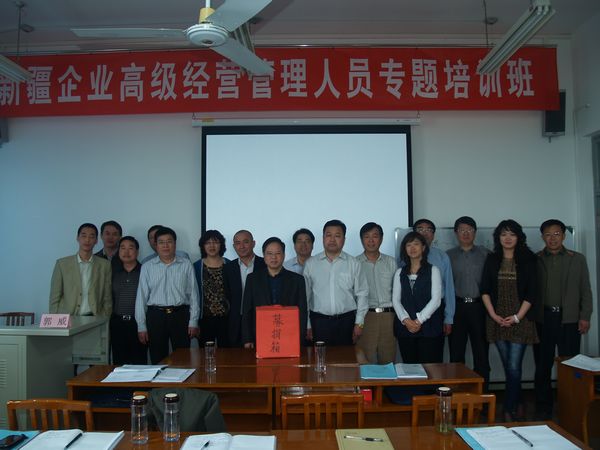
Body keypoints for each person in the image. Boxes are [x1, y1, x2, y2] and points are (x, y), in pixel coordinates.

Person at [534, 219, 593, 420]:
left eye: (557, 234)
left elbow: (586, 290)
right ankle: (543, 408)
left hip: (569, 319)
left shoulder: (577, 259)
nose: (552, 238)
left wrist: (585, 316)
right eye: (548, 234)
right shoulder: (536, 259)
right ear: (542, 237)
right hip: (543, 319)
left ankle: (571, 407)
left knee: (570, 366)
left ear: (564, 236)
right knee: (542, 365)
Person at [481, 219, 538, 421]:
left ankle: (508, 409)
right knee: (509, 367)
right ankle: (520, 401)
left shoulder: (529, 259)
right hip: (497, 319)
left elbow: (532, 293)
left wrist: (516, 317)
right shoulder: (492, 259)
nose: (507, 238)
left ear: (519, 237)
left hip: (520, 319)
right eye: (504, 234)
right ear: (498, 237)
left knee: (514, 366)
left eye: (512, 234)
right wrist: (493, 315)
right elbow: (485, 290)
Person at [135, 227, 200, 364]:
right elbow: (141, 298)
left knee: (183, 358)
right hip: (155, 316)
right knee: (158, 358)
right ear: (155, 245)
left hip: (180, 315)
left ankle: (183, 379)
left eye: (169, 241)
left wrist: (193, 321)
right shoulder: (147, 266)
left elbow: (194, 295)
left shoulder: (186, 264)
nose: (165, 245)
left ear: (175, 244)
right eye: (161, 242)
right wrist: (141, 325)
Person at [303, 219, 368, 345]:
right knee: (320, 357)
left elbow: (362, 294)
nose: (332, 240)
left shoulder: (354, 263)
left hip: (347, 322)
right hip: (318, 322)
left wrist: (359, 323)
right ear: (323, 238)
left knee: (345, 357)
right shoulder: (311, 264)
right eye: (328, 235)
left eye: (337, 236)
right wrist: (307, 324)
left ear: (344, 239)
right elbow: (305, 297)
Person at [447, 216, 491, 387]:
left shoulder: (486, 254)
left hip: (479, 308)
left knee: (481, 353)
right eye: (462, 230)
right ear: (456, 233)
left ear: (475, 232)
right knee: (456, 354)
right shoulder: (448, 256)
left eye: (469, 230)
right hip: (457, 308)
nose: (466, 233)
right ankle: (457, 393)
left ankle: (482, 394)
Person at [241, 237, 308, 348]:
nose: (273, 257)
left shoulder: (297, 280)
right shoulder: (253, 279)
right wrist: (247, 338)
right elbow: (247, 310)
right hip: (260, 335)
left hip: (289, 335)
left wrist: (300, 338)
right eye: (269, 253)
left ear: (284, 255)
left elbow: (302, 312)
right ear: (264, 256)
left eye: (278, 253)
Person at [392, 231, 443, 363]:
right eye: (408, 245)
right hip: (406, 328)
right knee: (410, 367)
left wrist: (419, 320)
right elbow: (396, 300)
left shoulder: (433, 270)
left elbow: (436, 300)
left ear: (423, 247)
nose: (412, 248)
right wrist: (406, 320)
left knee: (430, 367)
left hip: (428, 328)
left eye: (416, 244)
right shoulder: (399, 272)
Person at [356, 222, 398, 364]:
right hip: (366, 317)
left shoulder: (391, 262)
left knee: (388, 360)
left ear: (381, 238)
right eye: (366, 236)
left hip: (389, 317)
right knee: (366, 361)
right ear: (361, 239)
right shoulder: (355, 263)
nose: (371, 240)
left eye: (375, 236)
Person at [49, 223, 112, 316]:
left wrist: (105, 316)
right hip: (68, 318)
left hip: (94, 318)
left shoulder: (104, 265)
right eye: (84, 236)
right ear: (77, 238)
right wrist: (55, 318)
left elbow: (107, 296)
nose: (87, 240)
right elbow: (54, 297)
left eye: (91, 237)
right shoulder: (62, 264)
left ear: (96, 240)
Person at [412, 219, 456, 342]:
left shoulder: (442, 257)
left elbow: (448, 288)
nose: (424, 233)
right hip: (411, 310)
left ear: (433, 235)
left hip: (436, 311)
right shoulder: (404, 256)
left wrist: (448, 318)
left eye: (429, 230)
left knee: (434, 350)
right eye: (420, 229)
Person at [223, 230, 266, 347]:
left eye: (246, 242)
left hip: (260, 321)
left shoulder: (265, 265)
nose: (241, 246)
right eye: (238, 243)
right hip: (236, 322)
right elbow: (227, 296)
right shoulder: (228, 268)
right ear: (234, 246)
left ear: (253, 243)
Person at [110, 236, 147, 364]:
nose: (126, 252)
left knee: (139, 364)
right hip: (117, 323)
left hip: (138, 324)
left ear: (137, 251)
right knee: (119, 364)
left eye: (130, 248)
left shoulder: (145, 271)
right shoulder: (113, 272)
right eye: (122, 248)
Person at [193, 230, 230, 347]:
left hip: (226, 318)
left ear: (221, 245)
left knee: (226, 352)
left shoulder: (230, 265)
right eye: (208, 243)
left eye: (215, 242)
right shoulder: (196, 267)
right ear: (203, 246)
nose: (212, 246)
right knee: (205, 352)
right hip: (204, 319)